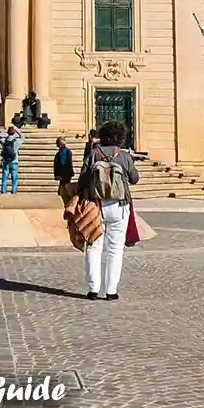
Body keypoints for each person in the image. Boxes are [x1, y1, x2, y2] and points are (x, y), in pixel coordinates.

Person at [79, 119, 139, 301]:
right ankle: (111, 290)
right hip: (120, 206)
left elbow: (82, 179)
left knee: (94, 247)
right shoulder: (124, 156)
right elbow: (135, 179)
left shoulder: (93, 154)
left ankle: (93, 289)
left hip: (96, 205)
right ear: (120, 138)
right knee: (115, 248)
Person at [0, 124, 23, 195]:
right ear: (14, 132)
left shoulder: (4, 141)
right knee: (14, 178)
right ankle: (14, 191)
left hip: (6, 161)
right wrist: (17, 129)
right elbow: (23, 137)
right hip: (14, 161)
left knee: (5, 178)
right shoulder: (17, 141)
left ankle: (4, 191)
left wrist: (4, 130)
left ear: (8, 132)